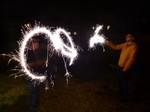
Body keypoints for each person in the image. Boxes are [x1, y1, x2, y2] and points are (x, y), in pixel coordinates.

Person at [105, 33, 138, 102]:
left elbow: (132, 58)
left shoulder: (134, 46)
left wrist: (126, 68)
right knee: (119, 80)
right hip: (119, 66)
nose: (126, 37)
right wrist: (109, 43)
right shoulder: (124, 45)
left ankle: (125, 97)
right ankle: (121, 91)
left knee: (124, 82)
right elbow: (116, 47)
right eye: (126, 36)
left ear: (132, 38)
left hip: (124, 67)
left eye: (128, 36)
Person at [27, 37, 56, 112]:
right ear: (31, 41)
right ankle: (31, 108)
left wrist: (53, 49)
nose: (37, 42)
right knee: (33, 91)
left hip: (39, 72)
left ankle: (34, 103)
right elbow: (28, 64)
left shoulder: (40, 46)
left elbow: (50, 49)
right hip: (31, 74)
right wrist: (39, 62)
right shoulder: (27, 50)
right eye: (35, 41)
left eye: (38, 40)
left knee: (37, 90)